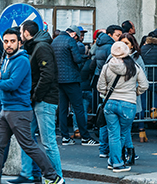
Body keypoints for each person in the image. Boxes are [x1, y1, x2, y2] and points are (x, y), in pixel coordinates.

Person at [0, 28, 62, 184]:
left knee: (28, 145)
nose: (9, 44)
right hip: (7, 109)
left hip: (18, 111)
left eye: (12, 41)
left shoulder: (21, 60)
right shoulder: (8, 59)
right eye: (6, 41)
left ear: (19, 42)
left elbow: (12, 84)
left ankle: (52, 176)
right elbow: (6, 79)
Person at [8, 21, 62, 184]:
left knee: (48, 142)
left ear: (25, 33)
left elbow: (47, 75)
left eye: (21, 31)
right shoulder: (34, 46)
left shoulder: (41, 47)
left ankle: (57, 178)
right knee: (26, 137)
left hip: (44, 100)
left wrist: (36, 96)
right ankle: (29, 174)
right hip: (35, 99)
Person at [95, 41, 148, 172]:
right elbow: (144, 85)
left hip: (110, 103)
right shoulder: (134, 67)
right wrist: (135, 93)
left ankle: (114, 161)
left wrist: (107, 93)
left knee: (113, 134)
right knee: (123, 133)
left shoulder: (107, 67)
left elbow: (100, 87)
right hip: (128, 103)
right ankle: (117, 162)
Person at [53, 26, 95, 145]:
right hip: (72, 79)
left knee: (62, 109)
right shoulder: (70, 41)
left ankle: (65, 137)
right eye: (78, 37)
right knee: (78, 108)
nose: (78, 39)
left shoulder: (54, 41)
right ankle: (85, 137)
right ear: (74, 34)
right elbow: (77, 59)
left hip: (58, 80)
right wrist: (83, 60)